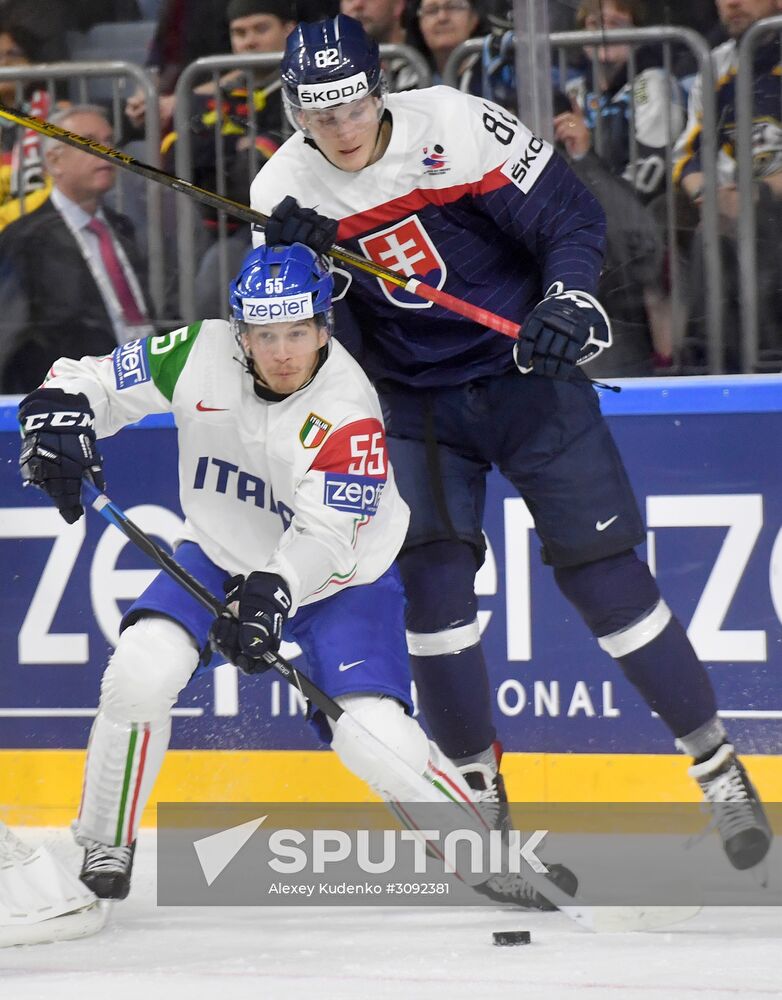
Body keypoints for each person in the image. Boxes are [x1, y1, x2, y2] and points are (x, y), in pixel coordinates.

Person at [249, 14, 772, 877]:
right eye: (318, 110)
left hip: (526, 374)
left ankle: (715, 763)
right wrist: (307, 270)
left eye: (351, 104)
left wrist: (567, 299)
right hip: (414, 406)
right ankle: (479, 804)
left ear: (380, 88)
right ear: (295, 107)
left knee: (607, 580)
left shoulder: (455, 125)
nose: (339, 128)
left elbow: (569, 215)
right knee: (435, 596)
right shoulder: (281, 190)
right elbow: (301, 340)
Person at [16, 242, 527, 905]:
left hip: (342, 581)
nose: (282, 351)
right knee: (141, 670)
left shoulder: (349, 410)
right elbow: (96, 377)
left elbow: (326, 538)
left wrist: (273, 596)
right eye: (264, 334)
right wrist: (62, 404)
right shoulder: (199, 352)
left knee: (373, 736)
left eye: (296, 332)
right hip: (225, 554)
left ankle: (481, 853)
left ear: (322, 327)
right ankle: (104, 842)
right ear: (241, 332)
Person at [0, 105, 153, 393]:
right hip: (73, 392)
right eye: (90, 141)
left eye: (109, 140)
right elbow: (9, 337)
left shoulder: (122, 228)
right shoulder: (26, 238)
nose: (106, 150)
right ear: (55, 161)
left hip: (144, 378)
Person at [673, 0, 782, 372]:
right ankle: (708, 360)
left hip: (767, 200)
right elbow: (690, 154)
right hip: (736, 199)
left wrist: (759, 193)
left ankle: (769, 361)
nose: (731, 3)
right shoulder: (715, 64)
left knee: (758, 215)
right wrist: (708, 197)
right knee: (701, 225)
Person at [162, 0, 297, 245]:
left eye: (261, 29)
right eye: (240, 33)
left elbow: (253, 178)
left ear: (289, 30)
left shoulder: (305, 91)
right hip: (205, 222)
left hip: (272, 226)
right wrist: (238, 146)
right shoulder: (209, 93)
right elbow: (174, 156)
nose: (249, 41)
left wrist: (213, 151)